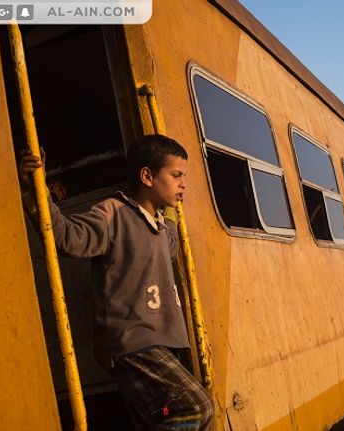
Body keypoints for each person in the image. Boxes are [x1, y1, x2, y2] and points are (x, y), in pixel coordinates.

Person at [19, 135, 213, 431]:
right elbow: (68, 239)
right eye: (176, 176)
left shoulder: (160, 227)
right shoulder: (114, 212)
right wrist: (37, 189)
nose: (183, 184)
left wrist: (171, 212)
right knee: (196, 406)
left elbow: (170, 246)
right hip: (132, 342)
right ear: (147, 176)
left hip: (161, 342)